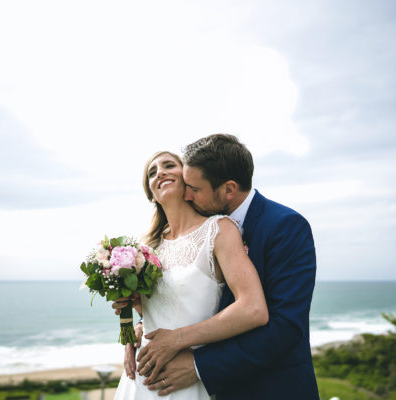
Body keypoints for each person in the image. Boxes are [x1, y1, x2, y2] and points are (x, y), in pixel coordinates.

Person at [134, 134, 319, 399]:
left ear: (228, 190)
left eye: (194, 189)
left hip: (270, 388)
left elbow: (285, 328)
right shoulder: (190, 230)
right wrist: (143, 326)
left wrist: (199, 365)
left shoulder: (285, 226)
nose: (186, 194)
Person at [113, 150, 269, 400]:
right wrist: (133, 327)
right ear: (152, 195)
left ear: (186, 178)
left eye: (168, 165)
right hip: (141, 378)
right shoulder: (147, 248)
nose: (160, 172)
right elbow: (158, 310)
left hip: (184, 379)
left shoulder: (218, 230)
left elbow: (253, 309)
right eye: (152, 173)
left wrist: (177, 340)